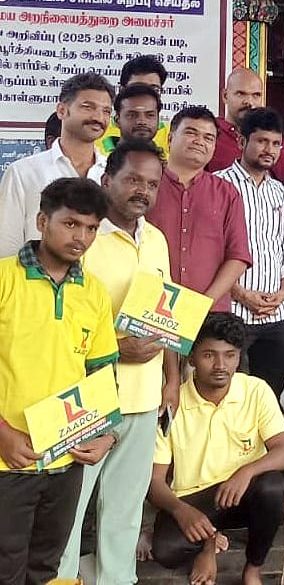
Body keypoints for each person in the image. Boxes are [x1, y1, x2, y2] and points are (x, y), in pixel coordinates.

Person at [57, 140, 181, 584]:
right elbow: (61, 318)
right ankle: (63, 578)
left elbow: (165, 313)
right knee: (70, 507)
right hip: (88, 395)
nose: (142, 190)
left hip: (144, 396)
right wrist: (115, 347)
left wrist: (171, 378)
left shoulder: (156, 240)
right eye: (133, 179)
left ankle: (116, 578)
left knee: (126, 505)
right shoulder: (85, 238)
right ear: (107, 180)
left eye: (152, 184)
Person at [0, 178, 119, 585]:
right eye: (70, 224)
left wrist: (106, 435)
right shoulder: (4, 279)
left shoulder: (94, 293)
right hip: (8, 459)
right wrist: (2, 433)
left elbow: (101, 374)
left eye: (91, 228)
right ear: (42, 221)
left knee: (46, 569)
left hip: (66, 460)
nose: (81, 237)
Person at [148, 313, 284, 585]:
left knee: (273, 488)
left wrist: (246, 472)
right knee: (166, 550)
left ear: (239, 358)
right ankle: (208, 543)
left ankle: (252, 569)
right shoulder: (172, 402)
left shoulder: (255, 390)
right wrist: (181, 510)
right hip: (194, 498)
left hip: (243, 492)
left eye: (230, 356)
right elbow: (155, 482)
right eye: (209, 355)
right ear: (191, 358)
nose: (220, 365)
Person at [214, 108, 284, 399]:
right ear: (242, 141)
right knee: (228, 395)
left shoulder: (280, 191)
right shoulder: (219, 185)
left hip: (278, 313)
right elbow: (212, 250)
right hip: (234, 310)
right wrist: (240, 293)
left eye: (276, 144)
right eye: (261, 141)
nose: (269, 150)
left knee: (269, 397)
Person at [144, 106, 252, 313]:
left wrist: (202, 305)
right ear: (170, 139)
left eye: (208, 138)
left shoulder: (227, 193)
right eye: (191, 133)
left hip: (211, 313)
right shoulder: (147, 185)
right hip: (150, 309)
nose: (200, 141)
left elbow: (238, 257)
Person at [0, 72, 114, 257]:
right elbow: (6, 247)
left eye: (106, 111)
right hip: (34, 275)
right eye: (88, 107)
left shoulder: (115, 175)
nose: (99, 117)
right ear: (61, 111)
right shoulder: (23, 173)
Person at [207, 68, 284, 183]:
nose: (249, 102)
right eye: (241, 94)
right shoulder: (209, 133)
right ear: (225, 96)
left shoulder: (273, 138)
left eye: (256, 95)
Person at [96, 55, 171, 156]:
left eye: (154, 89)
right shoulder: (98, 130)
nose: (145, 94)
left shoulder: (171, 135)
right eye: (137, 88)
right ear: (122, 90)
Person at [99, 83, 164, 156]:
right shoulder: (99, 158)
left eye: (150, 115)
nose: (142, 121)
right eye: (132, 115)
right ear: (117, 120)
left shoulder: (167, 160)